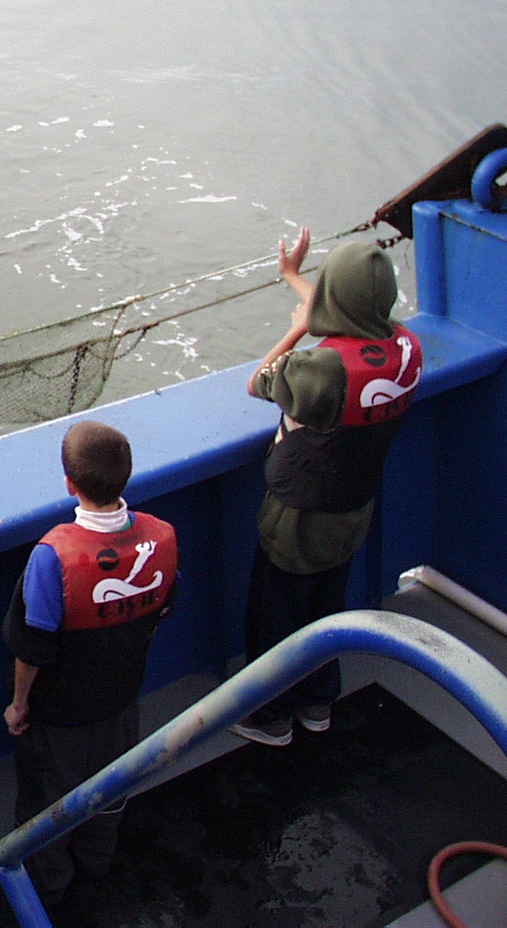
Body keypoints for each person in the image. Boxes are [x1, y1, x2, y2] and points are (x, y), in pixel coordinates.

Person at [232, 228, 422, 747]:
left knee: (276, 617)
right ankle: (318, 702)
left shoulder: (320, 370)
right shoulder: (406, 347)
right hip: (353, 508)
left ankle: (271, 717)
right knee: (325, 609)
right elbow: (354, 314)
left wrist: (296, 330)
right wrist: (293, 277)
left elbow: (257, 382)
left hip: (298, 518)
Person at [2, 421, 178, 912]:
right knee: (111, 790)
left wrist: (19, 706)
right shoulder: (162, 537)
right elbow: (163, 608)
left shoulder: (53, 557)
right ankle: (97, 864)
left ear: (69, 484)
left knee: (48, 803)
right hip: (121, 700)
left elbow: (32, 648)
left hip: (59, 717)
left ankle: (50, 890)